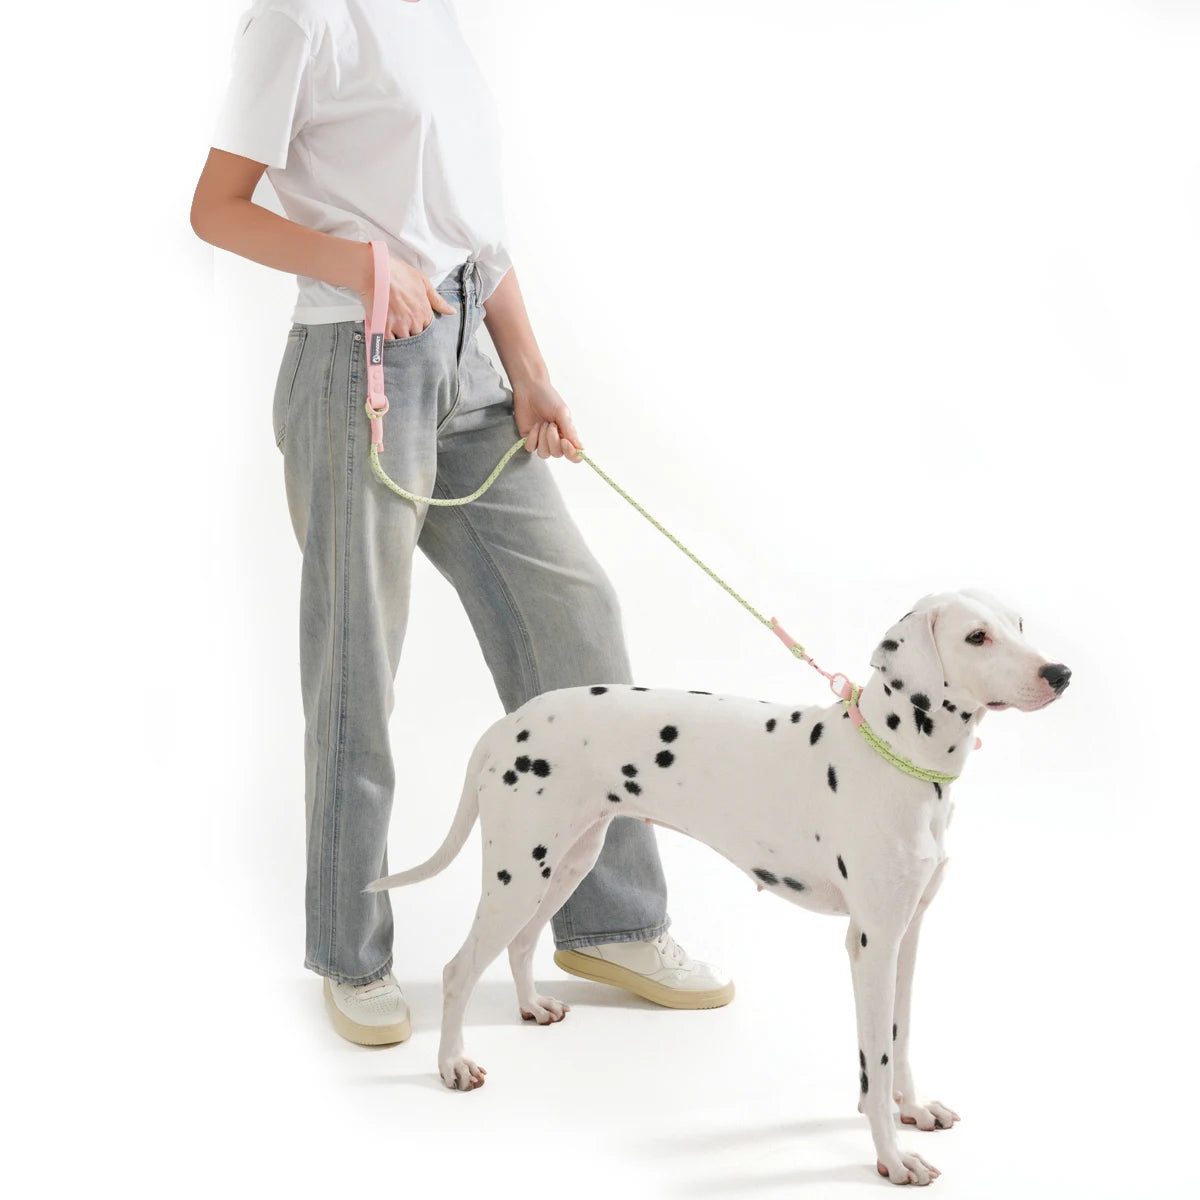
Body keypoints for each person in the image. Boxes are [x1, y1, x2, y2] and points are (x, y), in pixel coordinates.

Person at [191, 0, 732, 1046]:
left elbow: (473, 231)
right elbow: (217, 208)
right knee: (359, 665)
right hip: (360, 365)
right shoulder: (298, 17)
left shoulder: (434, 19)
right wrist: (360, 265)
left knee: (576, 615)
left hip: (471, 360)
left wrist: (530, 373)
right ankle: (350, 953)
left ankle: (609, 920)